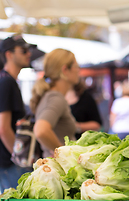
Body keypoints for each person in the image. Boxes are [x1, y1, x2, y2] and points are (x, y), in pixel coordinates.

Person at [0, 35, 35, 191]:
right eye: (23, 50)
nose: (29, 54)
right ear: (9, 54)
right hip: (10, 162)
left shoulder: (8, 81)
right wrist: (20, 159)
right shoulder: (6, 82)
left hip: (8, 161)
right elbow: (3, 128)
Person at [31, 49, 79, 158]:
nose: (78, 71)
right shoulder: (56, 98)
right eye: (76, 66)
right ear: (65, 69)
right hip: (58, 170)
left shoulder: (50, 96)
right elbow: (41, 130)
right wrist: (63, 155)